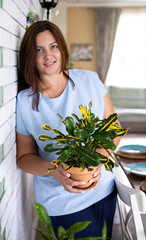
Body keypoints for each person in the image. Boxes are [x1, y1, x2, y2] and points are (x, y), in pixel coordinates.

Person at [16, 20, 121, 239]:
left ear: (62, 48)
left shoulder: (90, 80)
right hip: (61, 200)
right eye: (39, 50)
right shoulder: (24, 102)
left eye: (53, 46)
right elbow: (24, 157)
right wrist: (54, 169)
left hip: (103, 188)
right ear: (30, 56)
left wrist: (97, 163)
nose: (48, 55)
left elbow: (113, 127)